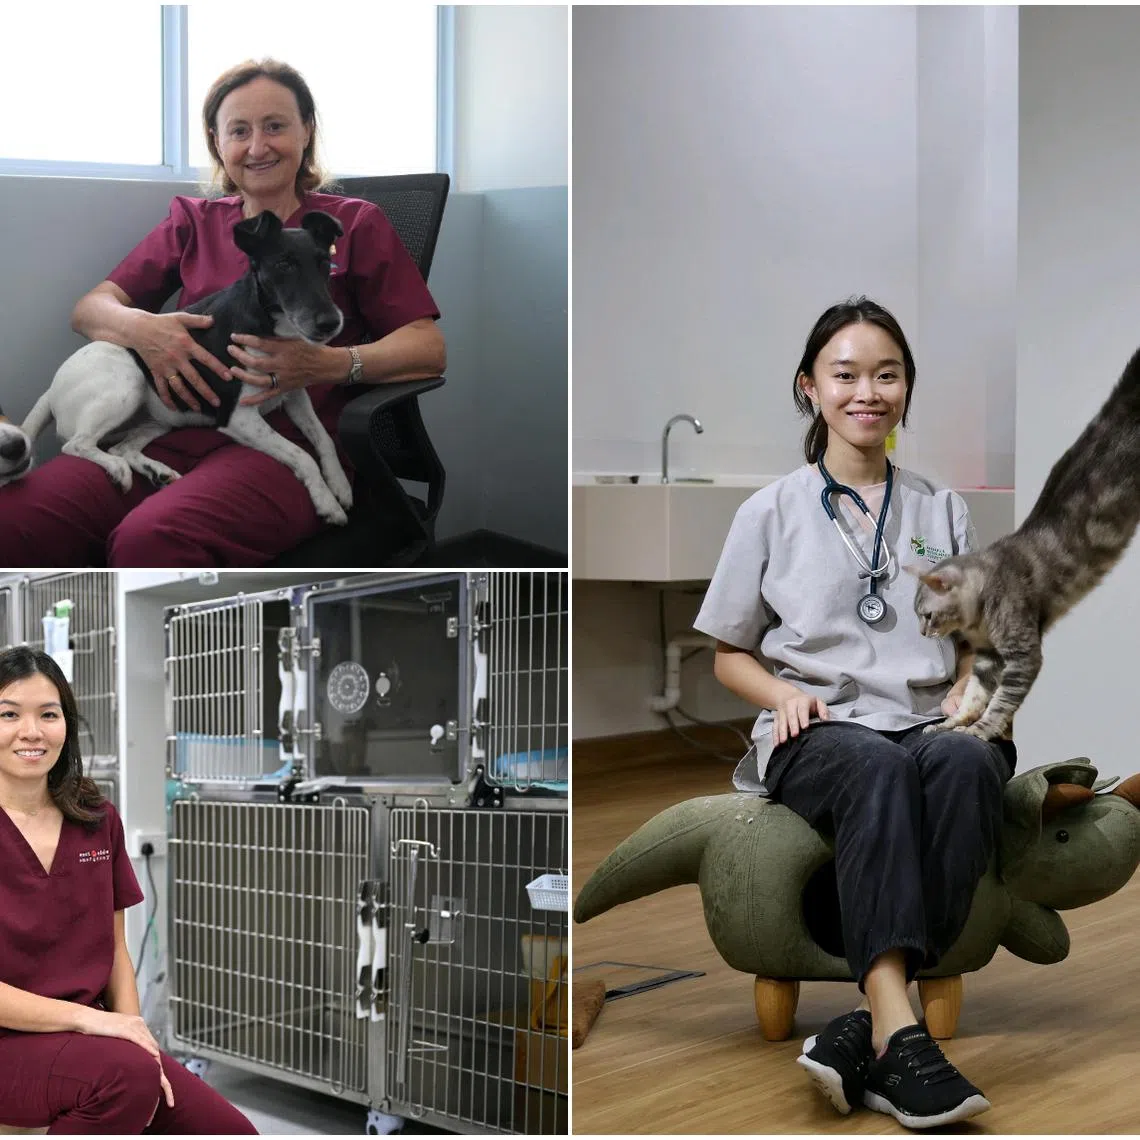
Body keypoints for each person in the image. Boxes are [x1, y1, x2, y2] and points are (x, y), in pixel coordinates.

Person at [693, 297, 1016, 1130]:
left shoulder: (940, 508)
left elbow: (975, 642)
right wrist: (784, 694)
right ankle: (902, 1036)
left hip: (927, 723)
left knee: (969, 760)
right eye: (846, 375)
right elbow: (728, 653)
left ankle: (871, 1029)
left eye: (887, 375)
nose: (867, 392)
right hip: (822, 732)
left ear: (906, 387)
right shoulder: (768, 511)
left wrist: (969, 688)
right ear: (810, 387)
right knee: (877, 766)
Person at [0, 58, 445, 567]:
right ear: (218, 143)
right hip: (170, 430)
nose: (257, 147)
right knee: (13, 522)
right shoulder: (195, 220)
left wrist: (329, 363)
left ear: (306, 131)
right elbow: (90, 310)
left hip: (286, 443)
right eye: (239, 131)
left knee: (151, 541)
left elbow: (427, 348)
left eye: (274, 126)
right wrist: (147, 332)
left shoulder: (355, 223)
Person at [0, 646, 258, 1133]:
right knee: (125, 1079)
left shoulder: (96, 818)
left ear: (66, 725)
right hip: (11, 1042)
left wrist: (135, 1035)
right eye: (9, 714)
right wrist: (92, 1023)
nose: (31, 731)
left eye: (48, 714)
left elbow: (115, 947)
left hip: (88, 1036)